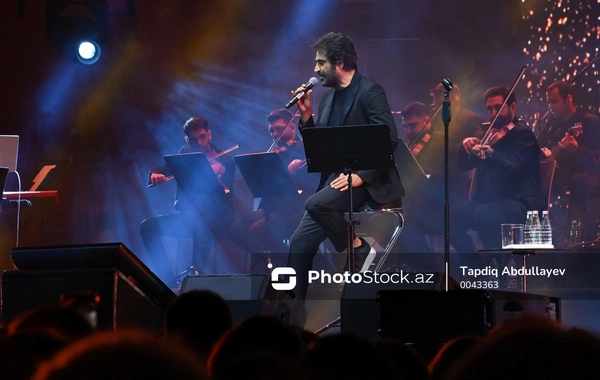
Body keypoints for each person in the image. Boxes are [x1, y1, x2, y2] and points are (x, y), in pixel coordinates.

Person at [286, 32, 404, 302]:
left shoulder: (369, 91)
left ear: (339, 62)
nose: (315, 70)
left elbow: (389, 138)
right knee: (299, 244)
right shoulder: (327, 99)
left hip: (368, 181)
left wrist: (361, 177)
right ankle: (291, 318)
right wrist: (306, 118)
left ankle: (357, 247)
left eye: (320, 63)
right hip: (335, 182)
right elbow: (320, 150)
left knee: (315, 204)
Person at [140, 117, 237, 286]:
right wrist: (154, 175)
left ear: (209, 135)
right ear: (187, 140)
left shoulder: (225, 161)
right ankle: (168, 280)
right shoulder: (185, 154)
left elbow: (226, 199)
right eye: (193, 140)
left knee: (203, 223)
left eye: (202, 137)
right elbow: (158, 168)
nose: (199, 143)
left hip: (218, 220)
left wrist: (218, 181)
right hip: (188, 217)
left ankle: (194, 277)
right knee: (147, 226)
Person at [451, 86, 543, 254]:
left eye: (498, 108)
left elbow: (518, 171)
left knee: (483, 215)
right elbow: (464, 166)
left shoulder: (523, 134)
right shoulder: (488, 133)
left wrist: (494, 155)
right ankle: (476, 266)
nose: (493, 113)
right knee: (450, 217)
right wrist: (465, 146)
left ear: (512, 107)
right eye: (489, 108)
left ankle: (498, 268)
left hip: (519, 202)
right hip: (490, 201)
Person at [245, 109, 317, 258]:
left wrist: (298, 171)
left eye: (279, 129)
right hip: (278, 205)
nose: (275, 135)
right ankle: (271, 264)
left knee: (257, 229)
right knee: (243, 223)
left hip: (298, 206)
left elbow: (315, 179)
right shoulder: (276, 153)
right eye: (272, 131)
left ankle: (294, 264)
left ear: (292, 128)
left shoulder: (305, 148)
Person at [537, 80, 600, 243]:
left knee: (579, 182)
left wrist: (577, 150)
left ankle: (575, 238)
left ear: (569, 99)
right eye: (549, 102)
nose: (550, 107)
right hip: (559, 177)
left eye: (554, 101)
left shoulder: (589, 122)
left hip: (587, 177)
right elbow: (539, 148)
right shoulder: (552, 125)